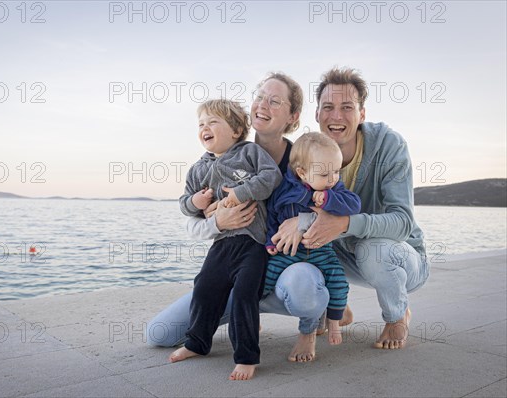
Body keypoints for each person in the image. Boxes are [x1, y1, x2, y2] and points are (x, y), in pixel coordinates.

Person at [148, 72, 333, 363]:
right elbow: (191, 219)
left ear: (293, 116)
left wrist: (302, 221)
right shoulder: (214, 162)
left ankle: (311, 322)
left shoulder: (302, 157)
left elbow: (333, 211)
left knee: (302, 287)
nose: (262, 104)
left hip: (280, 267)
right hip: (231, 258)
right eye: (259, 96)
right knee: (158, 334)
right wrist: (218, 221)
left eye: (274, 101)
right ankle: (214, 331)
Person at [274, 67, 430, 349]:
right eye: (328, 107)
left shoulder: (388, 145)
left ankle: (396, 316)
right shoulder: (309, 153)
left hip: (398, 258)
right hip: (345, 256)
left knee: (373, 249)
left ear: (362, 114)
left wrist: (345, 224)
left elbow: (402, 222)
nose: (336, 116)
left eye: (347, 107)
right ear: (317, 115)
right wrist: (301, 221)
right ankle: (336, 305)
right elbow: (286, 203)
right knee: (302, 237)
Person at [170, 99, 282, 380]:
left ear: (234, 130)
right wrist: (195, 202)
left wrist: (242, 193)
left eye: (212, 122)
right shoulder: (198, 169)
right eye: (201, 124)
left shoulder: (249, 152)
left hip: (253, 243)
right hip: (221, 245)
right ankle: (197, 342)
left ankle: (246, 356)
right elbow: (184, 203)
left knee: (245, 294)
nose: (204, 128)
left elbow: (272, 176)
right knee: (204, 287)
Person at [264, 132, 361, 358]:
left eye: (336, 171)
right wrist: (271, 241)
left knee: (338, 279)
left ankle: (335, 322)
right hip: (288, 252)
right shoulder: (285, 190)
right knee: (266, 276)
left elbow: (354, 205)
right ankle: (253, 314)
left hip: (320, 249)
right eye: (325, 173)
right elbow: (272, 216)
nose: (332, 178)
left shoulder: (334, 190)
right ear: (302, 173)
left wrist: (330, 200)